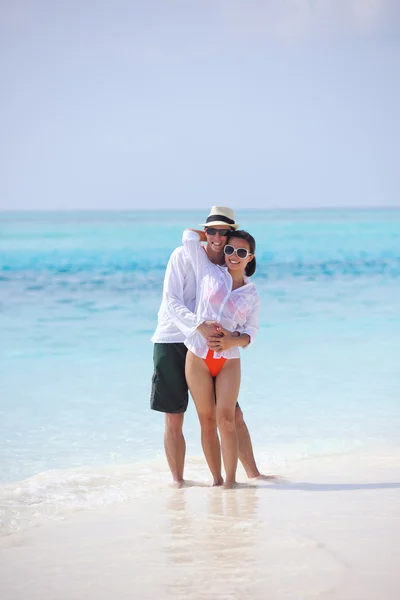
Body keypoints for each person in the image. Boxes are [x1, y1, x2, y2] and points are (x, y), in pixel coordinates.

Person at [151, 206, 269, 486]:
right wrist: (197, 325)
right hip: (172, 339)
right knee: (175, 417)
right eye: (211, 231)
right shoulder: (184, 256)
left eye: (223, 232)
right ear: (206, 233)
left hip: (214, 346)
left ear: (232, 237)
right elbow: (171, 301)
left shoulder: (227, 266)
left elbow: (246, 322)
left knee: (231, 416)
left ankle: (253, 475)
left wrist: (233, 338)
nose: (217, 237)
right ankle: (178, 483)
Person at [182, 224, 259, 487]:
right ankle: (216, 481)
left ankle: (231, 482)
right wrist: (215, 236)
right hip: (198, 356)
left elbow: (252, 332)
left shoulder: (251, 293)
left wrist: (230, 340)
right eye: (230, 249)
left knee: (226, 420)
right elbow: (188, 236)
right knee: (206, 421)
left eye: (241, 251)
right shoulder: (208, 270)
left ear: (250, 257)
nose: (233, 255)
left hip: (229, 361)